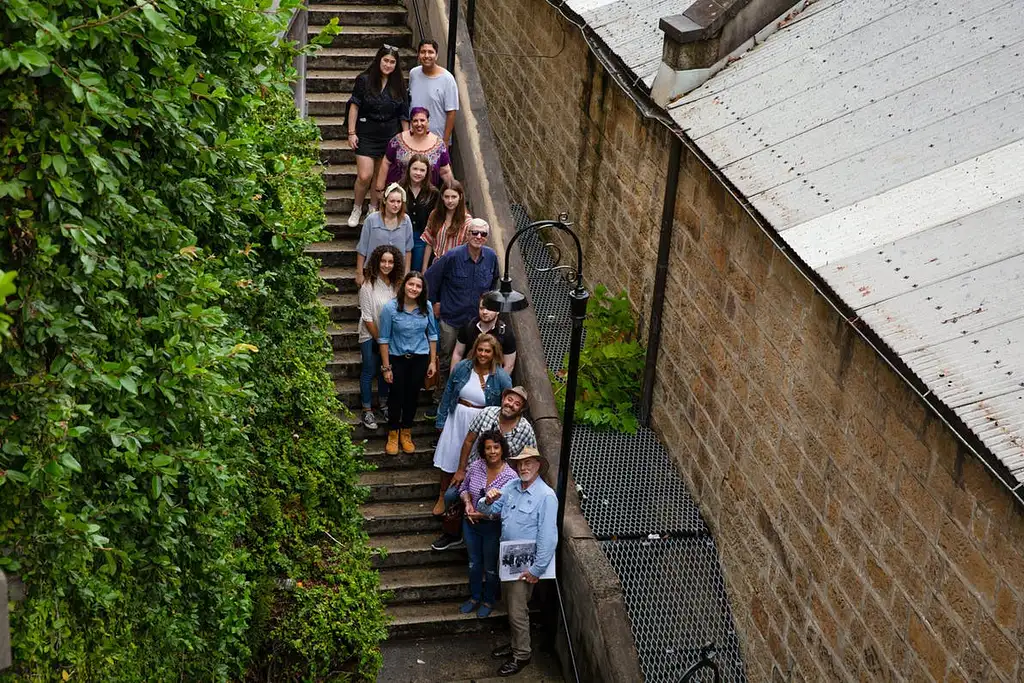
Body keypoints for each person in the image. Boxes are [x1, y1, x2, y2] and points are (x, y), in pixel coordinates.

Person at [478, 447, 557, 677]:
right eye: (520, 464)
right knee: (510, 606)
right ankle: (515, 645)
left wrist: (536, 569)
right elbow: (489, 510)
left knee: (517, 610)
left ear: (538, 465)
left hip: (526, 564)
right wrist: (486, 498)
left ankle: (522, 654)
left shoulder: (546, 496)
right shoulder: (511, 486)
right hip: (508, 558)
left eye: (529, 463)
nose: (524, 467)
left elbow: (548, 536)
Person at [430, 333, 511, 546]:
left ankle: (467, 505)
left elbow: (506, 404)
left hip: (481, 422)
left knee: (472, 461)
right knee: (449, 456)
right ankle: (442, 494)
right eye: (480, 350)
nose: (483, 354)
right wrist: (441, 419)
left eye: (487, 351)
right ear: (474, 350)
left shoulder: (500, 376)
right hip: (458, 415)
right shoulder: (463, 368)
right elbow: (448, 392)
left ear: (494, 354)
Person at [424, 218, 499, 414]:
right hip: (451, 319)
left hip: (476, 322)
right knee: (447, 359)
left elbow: (494, 286)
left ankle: (463, 400)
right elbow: (430, 279)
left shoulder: (491, 257)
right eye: (474, 232)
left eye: (483, 234)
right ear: (467, 234)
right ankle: (440, 400)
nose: (478, 237)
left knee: (475, 361)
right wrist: (435, 303)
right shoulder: (452, 256)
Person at [346, 44, 409, 228]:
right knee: (365, 175)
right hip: (366, 132)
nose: (388, 65)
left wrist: (405, 139)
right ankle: (357, 207)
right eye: (386, 61)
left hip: (389, 135)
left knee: (379, 177)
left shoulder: (399, 86)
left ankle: (373, 207)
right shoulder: (364, 80)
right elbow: (354, 105)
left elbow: (403, 114)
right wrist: (352, 132)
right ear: (379, 60)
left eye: (392, 62)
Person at [457, 430, 517, 618]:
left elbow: (508, 509)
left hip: (492, 527)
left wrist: (483, 515)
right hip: (470, 523)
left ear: (502, 449)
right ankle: (474, 597)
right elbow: (464, 488)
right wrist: (467, 503)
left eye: (496, 447)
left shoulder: (510, 477)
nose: (492, 452)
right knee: (474, 563)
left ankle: (488, 600)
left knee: (491, 567)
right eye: (488, 448)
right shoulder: (476, 466)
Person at [378, 271, 439, 455]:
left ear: (422, 289)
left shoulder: (426, 307)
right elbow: (383, 339)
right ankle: (393, 433)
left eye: (418, 286)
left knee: (412, 396)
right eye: (411, 284)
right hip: (397, 358)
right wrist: (386, 367)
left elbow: (433, 334)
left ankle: (406, 431)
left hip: (420, 358)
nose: (414, 289)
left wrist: (432, 362)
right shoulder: (391, 308)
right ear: (404, 285)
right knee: (396, 396)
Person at [357, 245, 404, 430]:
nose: (386, 265)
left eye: (390, 261)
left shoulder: (396, 285)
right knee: (369, 369)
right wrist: (380, 340)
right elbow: (367, 317)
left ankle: (384, 404)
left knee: (387, 370)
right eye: (383, 261)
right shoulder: (368, 286)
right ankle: (367, 409)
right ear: (377, 262)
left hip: (391, 336)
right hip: (370, 335)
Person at [451, 386, 535, 486]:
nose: (511, 405)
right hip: (475, 470)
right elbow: (469, 441)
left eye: (517, 404)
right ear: (503, 399)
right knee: (450, 495)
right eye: (509, 399)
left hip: (505, 480)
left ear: (521, 409)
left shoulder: (526, 430)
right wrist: (461, 470)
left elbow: (532, 458)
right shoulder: (486, 413)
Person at [376, 107, 454, 191]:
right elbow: (386, 162)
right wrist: (379, 188)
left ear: (428, 122)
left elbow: (445, 171)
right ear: (411, 123)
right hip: (398, 196)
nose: (419, 124)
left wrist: (453, 190)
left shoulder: (439, 145)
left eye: (422, 120)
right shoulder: (398, 140)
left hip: (427, 196)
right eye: (415, 121)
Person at [355, 183, 414, 287]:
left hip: (396, 272)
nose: (396, 205)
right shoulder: (371, 220)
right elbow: (362, 248)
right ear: (385, 201)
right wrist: (359, 273)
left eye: (398, 202)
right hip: (373, 271)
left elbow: (408, 250)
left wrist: (406, 273)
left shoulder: (406, 220)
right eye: (392, 201)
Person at [408, 39, 459, 146]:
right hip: (414, 137)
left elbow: (451, 112)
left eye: (430, 52)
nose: (426, 55)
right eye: (423, 52)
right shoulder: (414, 73)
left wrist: (445, 140)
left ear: (436, 56)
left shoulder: (447, 79)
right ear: (418, 55)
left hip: (437, 139)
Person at [452, 295, 517, 374]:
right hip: (468, 373)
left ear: (498, 311)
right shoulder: (468, 326)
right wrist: (452, 378)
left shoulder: (506, 333)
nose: (484, 312)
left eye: (489, 308)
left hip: (492, 376)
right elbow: (458, 353)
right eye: (482, 308)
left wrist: (497, 384)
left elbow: (509, 365)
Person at [400, 153, 438, 273]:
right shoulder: (399, 188)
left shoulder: (433, 193)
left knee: (415, 272)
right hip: (400, 235)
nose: (418, 173)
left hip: (421, 238)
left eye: (422, 170)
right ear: (409, 169)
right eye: (415, 168)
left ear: (427, 172)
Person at [421, 180, 472, 267]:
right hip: (436, 264)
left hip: (456, 266)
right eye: (447, 197)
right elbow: (429, 242)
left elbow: (468, 250)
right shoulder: (435, 215)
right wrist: (424, 268)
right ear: (442, 197)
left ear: (460, 197)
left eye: (453, 197)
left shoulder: (467, 221)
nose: (450, 201)